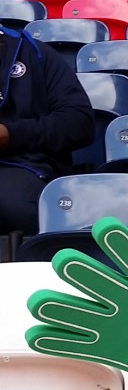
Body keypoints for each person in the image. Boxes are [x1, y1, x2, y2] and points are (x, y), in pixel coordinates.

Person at [0, 26, 94, 236]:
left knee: (13, 203)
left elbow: (79, 122)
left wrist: (10, 134)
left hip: (22, 167)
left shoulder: (33, 52)